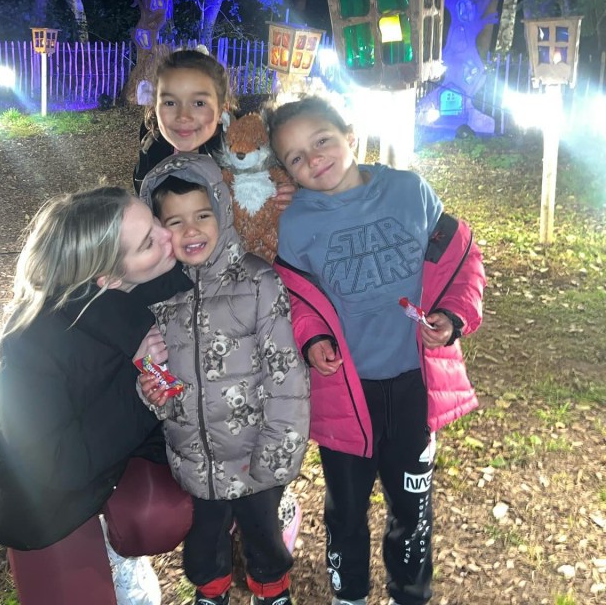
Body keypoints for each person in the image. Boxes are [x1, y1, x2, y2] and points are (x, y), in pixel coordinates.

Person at [266, 96, 485, 605]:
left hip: (414, 386)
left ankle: (411, 593)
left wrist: (452, 318)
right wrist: (312, 339)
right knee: (345, 508)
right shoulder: (295, 224)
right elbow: (297, 300)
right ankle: (351, 596)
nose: (314, 158)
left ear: (350, 133)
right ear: (287, 173)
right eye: (296, 157)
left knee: (412, 506)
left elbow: (462, 261)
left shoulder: (409, 191)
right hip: (347, 394)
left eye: (322, 140)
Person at [0, 187, 194, 605]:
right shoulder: (30, 343)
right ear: (108, 280)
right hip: (49, 484)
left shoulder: (161, 278)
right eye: (149, 241)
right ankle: (104, 560)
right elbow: (50, 465)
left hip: (119, 449)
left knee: (159, 514)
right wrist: (142, 387)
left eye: (153, 221)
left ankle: (125, 543)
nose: (169, 235)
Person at [138, 153, 311, 605]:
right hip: (193, 457)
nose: (190, 230)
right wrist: (152, 392)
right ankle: (210, 593)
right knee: (203, 543)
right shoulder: (158, 297)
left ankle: (271, 591)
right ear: (157, 231)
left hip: (256, 455)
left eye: (202, 215)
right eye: (174, 221)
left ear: (223, 211)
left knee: (263, 537)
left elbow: (286, 375)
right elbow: (158, 375)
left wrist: (279, 450)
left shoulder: (258, 283)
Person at [133, 48, 233, 195]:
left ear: (222, 110)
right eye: (170, 103)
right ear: (155, 106)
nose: (183, 116)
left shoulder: (242, 162)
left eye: (199, 103)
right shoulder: (152, 150)